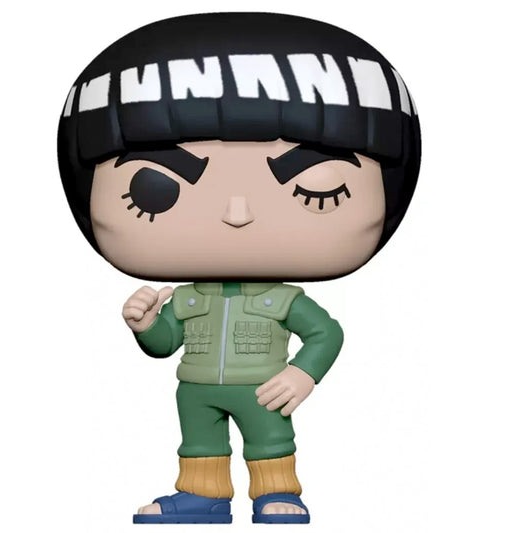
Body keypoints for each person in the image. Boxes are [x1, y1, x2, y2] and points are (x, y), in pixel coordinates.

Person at [57, 12, 421, 524]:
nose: (237, 213)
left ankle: (278, 491)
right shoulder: (187, 297)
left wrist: (302, 374)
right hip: (196, 386)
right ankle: (201, 494)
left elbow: (327, 333)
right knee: (198, 442)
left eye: (318, 191)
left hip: (263, 386)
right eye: (154, 192)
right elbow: (165, 344)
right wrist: (145, 325)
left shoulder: (284, 299)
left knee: (270, 439)